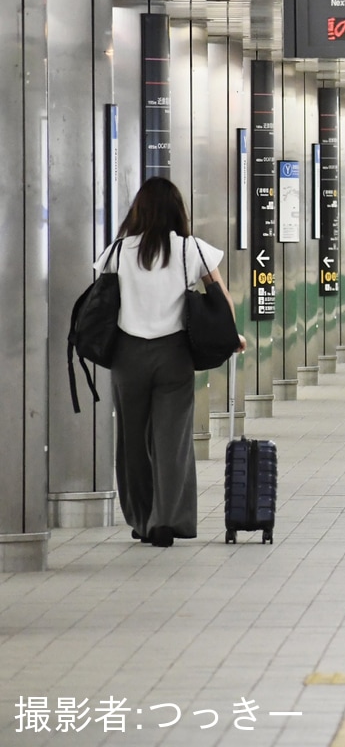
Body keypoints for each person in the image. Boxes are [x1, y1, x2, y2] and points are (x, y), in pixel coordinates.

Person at [95, 177, 245, 548]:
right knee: (171, 439)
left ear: (138, 209)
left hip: (127, 356)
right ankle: (166, 519)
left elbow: (102, 301)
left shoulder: (116, 251)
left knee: (132, 440)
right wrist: (233, 336)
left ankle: (142, 518)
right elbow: (221, 297)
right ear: (178, 210)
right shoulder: (190, 249)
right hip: (174, 355)